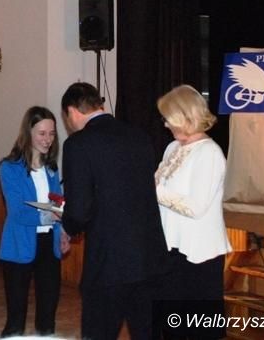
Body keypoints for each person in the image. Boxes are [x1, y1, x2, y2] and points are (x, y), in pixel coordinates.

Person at [60, 82, 169, 340]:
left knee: (99, 333)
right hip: (149, 259)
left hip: (108, 264)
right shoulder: (140, 137)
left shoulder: (78, 144)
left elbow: (79, 209)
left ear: (72, 111)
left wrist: (67, 227)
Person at [155, 85, 232, 339]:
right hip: (172, 249)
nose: (166, 124)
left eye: (169, 118)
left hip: (199, 254)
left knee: (200, 329)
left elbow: (196, 207)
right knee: (171, 325)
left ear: (184, 116)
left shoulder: (209, 153)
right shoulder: (172, 148)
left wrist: (154, 191)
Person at [0, 106, 70, 338]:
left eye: (52, 133)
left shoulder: (52, 169)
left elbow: (57, 204)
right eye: (42, 133)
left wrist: (63, 232)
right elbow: (18, 212)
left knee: (48, 315)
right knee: (16, 319)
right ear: (28, 133)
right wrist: (51, 215)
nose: (48, 139)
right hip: (19, 245)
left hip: (48, 245)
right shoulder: (9, 167)